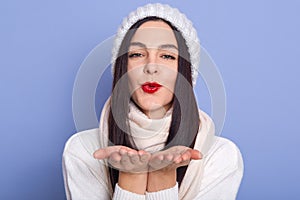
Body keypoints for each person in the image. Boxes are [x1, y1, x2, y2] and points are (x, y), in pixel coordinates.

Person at [62, 3, 244, 200]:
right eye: (137, 54)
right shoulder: (83, 152)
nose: (151, 67)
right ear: (123, 68)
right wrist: (131, 177)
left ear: (184, 72)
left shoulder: (221, 156)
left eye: (167, 56)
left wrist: (162, 177)